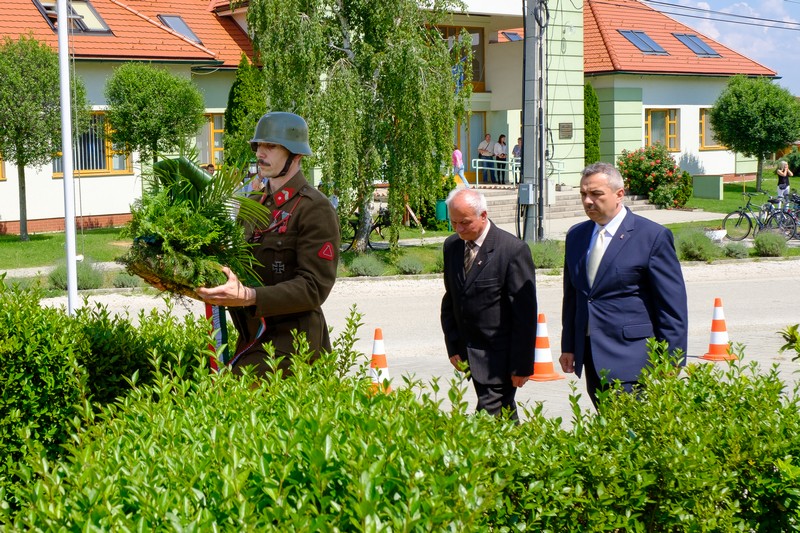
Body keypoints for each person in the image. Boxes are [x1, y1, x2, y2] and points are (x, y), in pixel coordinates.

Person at [197, 112, 340, 376]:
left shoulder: (314, 208)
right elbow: (239, 264)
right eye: (258, 145)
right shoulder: (253, 203)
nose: (260, 153)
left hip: (294, 348)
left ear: (296, 155)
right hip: (253, 339)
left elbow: (313, 288)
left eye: (271, 146)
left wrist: (250, 296)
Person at [560, 162, 688, 409]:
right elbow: (573, 296)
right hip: (592, 357)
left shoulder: (651, 236)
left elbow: (671, 306)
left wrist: (672, 360)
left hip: (633, 359)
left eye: (596, 194)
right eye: (583, 194)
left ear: (619, 194)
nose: (588, 201)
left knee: (631, 428)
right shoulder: (576, 236)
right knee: (606, 426)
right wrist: (569, 346)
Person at [440, 188, 537, 420]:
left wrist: (522, 365)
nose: (459, 229)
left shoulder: (512, 250)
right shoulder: (452, 246)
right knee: (503, 418)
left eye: (465, 222)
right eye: (454, 222)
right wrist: (453, 346)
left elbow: (524, 315)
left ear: (483, 215)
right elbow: (451, 299)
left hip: (500, 359)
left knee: (485, 421)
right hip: (469, 355)